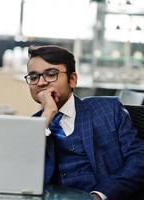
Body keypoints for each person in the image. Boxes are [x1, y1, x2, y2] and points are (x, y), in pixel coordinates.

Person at [24, 45, 144, 200]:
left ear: (72, 80)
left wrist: (100, 195)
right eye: (33, 77)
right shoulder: (35, 126)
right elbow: (22, 176)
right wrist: (47, 115)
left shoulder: (108, 109)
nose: (40, 83)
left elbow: (139, 159)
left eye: (51, 74)